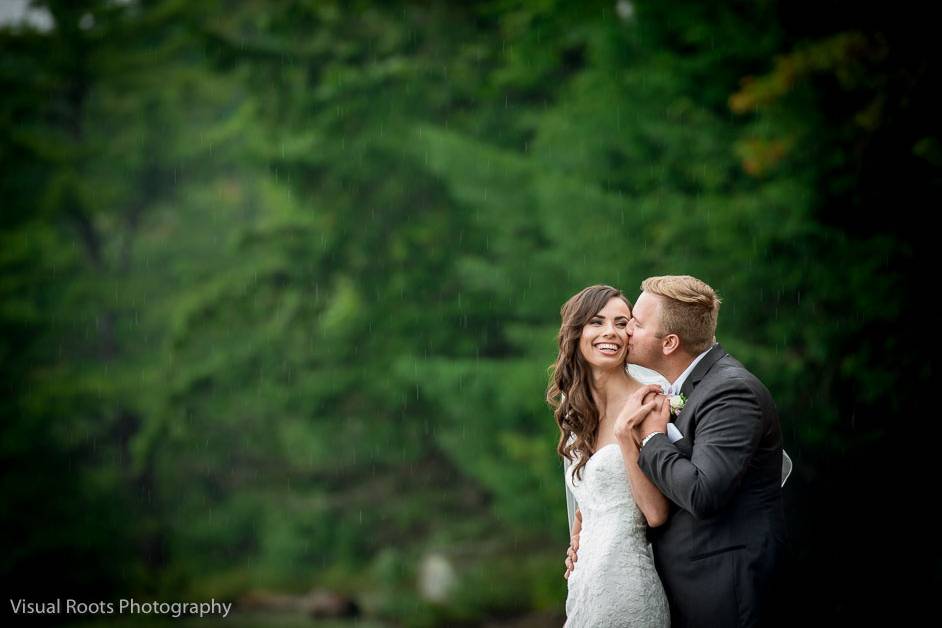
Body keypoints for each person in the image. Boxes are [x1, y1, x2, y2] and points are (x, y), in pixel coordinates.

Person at [598, 275, 785, 627]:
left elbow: (702, 493)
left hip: (726, 590)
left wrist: (653, 440)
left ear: (669, 343)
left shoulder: (731, 392)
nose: (626, 332)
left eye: (636, 324)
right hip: (689, 589)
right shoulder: (681, 390)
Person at [549, 285, 671, 627]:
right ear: (577, 333)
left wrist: (625, 437)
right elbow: (591, 490)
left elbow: (656, 513)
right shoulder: (576, 409)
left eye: (621, 323)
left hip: (626, 582)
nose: (611, 333)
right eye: (597, 322)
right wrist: (578, 534)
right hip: (585, 581)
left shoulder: (648, 401)